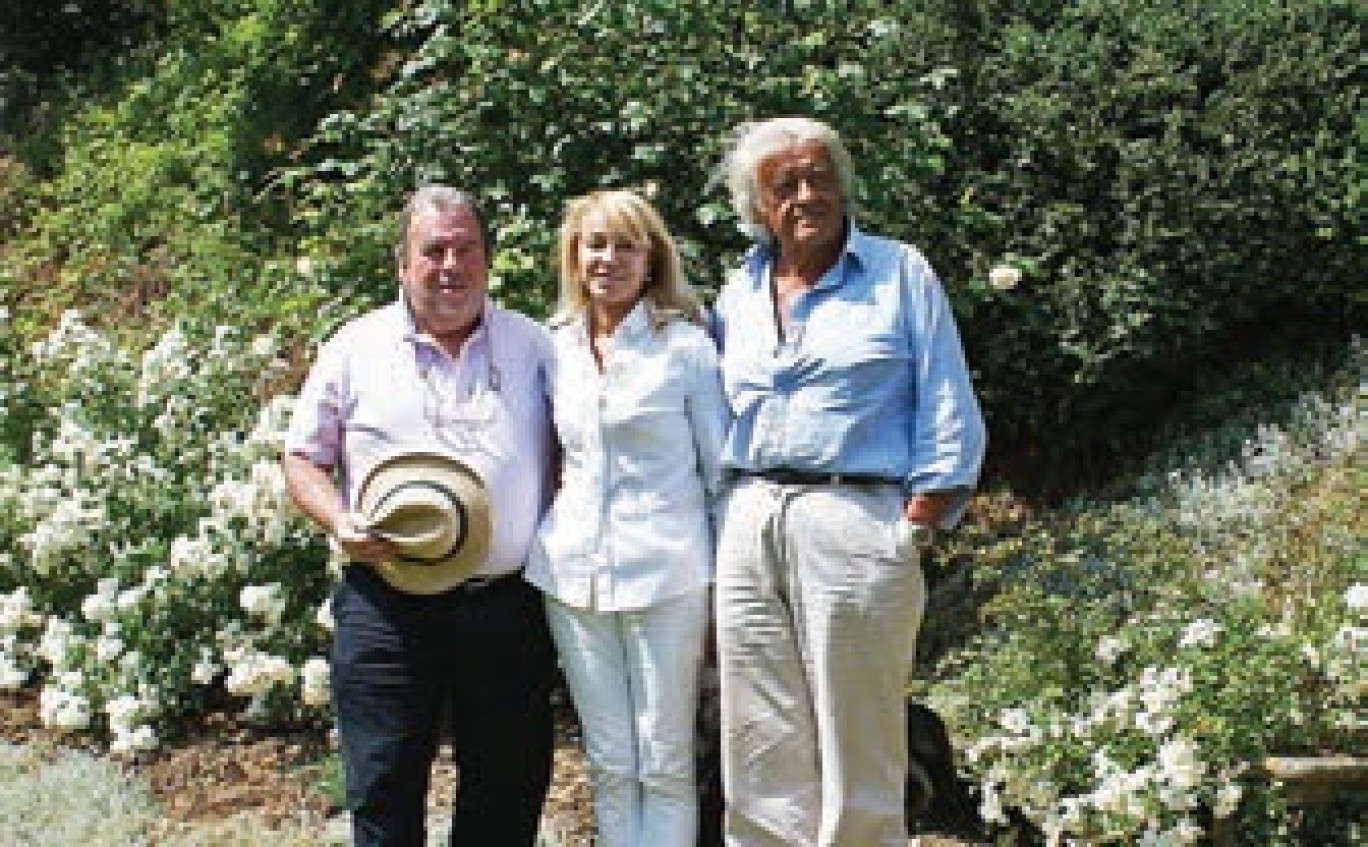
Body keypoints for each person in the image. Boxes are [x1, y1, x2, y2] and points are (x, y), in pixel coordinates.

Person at [710, 117, 987, 846]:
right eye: (785, 184)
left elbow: (948, 398)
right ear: (757, 206)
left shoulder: (899, 272)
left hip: (855, 511)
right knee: (758, 734)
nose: (807, 194)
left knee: (858, 729)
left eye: (819, 175)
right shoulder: (737, 290)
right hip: (748, 514)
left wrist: (920, 518)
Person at [281, 185, 557, 846]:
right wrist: (339, 519)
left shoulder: (535, 346)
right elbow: (301, 457)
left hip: (506, 607)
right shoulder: (356, 346)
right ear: (402, 264)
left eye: (466, 249)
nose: (451, 265)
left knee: (506, 796)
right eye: (433, 251)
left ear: (487, 259)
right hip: (388, 606)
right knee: (383, 793)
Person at [524, 189, 729, 847]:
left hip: (668, 574)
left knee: (664, 757)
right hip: (572, 577)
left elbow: (720, 476)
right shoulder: (552, 348)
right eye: (595, 244)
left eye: (624, 245)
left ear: (651, 258)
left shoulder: (686, 349)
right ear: (574, 256)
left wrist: (724, 591)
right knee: (610, 759)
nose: (608, 258)